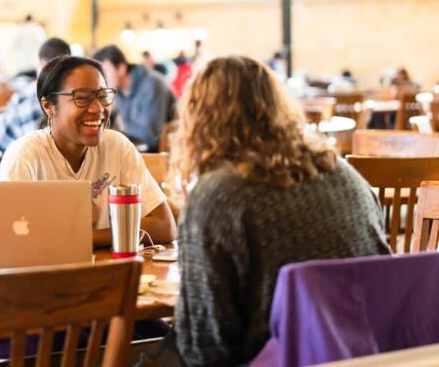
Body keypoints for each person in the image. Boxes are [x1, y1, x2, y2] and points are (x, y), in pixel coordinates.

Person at [144, 56, 389, 366]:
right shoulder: (346, 175)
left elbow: (206, 349)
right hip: (365, 354)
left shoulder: (218, 195)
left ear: (199, 120)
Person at [0, 55, 175, 247]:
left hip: (109, 272)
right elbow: (2, 237)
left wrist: (80, 238)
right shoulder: (25, 155)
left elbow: (164, 226)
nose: (98, 108)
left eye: (103, 96)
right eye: (82, 98)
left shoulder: (116, 146)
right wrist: (119, 234)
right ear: (48, 106)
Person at [0, 37, 71, 151]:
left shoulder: (23, 98)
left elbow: (2, 140)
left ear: (40, 64)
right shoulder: (75, 98)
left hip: (27, 163)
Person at [93, 45, 175, 152]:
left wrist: (116, 133)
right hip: (138, 149)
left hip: (163, 154)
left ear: (121, 68)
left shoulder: (152, 84)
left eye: (106, 71)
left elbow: (151, 136)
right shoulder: (119, 90)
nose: (102, 78)